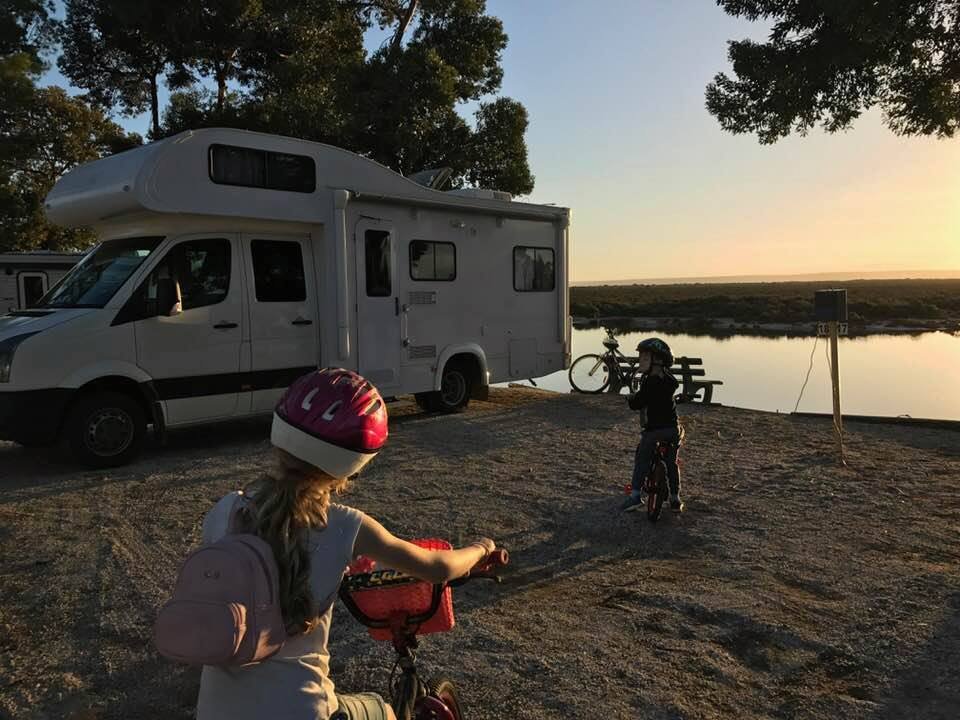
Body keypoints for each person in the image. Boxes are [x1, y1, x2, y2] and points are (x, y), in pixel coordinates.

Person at [196, 368, 497, 720]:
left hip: (216, 709)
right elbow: (439, 568)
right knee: (382, 710)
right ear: (353, 464)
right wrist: (480, 548)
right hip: (301, 708)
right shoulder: (345, 527)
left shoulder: (224, 510)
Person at [620, 338, 684, 513]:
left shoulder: (649, 382)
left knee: (642, 458)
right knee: (671, 462)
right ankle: (675, 497)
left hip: (653, 430)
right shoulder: (670, 380)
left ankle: (634, 496)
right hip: (672, 429)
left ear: (656, 360)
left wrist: (631, 399)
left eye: (645, 357)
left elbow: (638, 403)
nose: (641, 360)